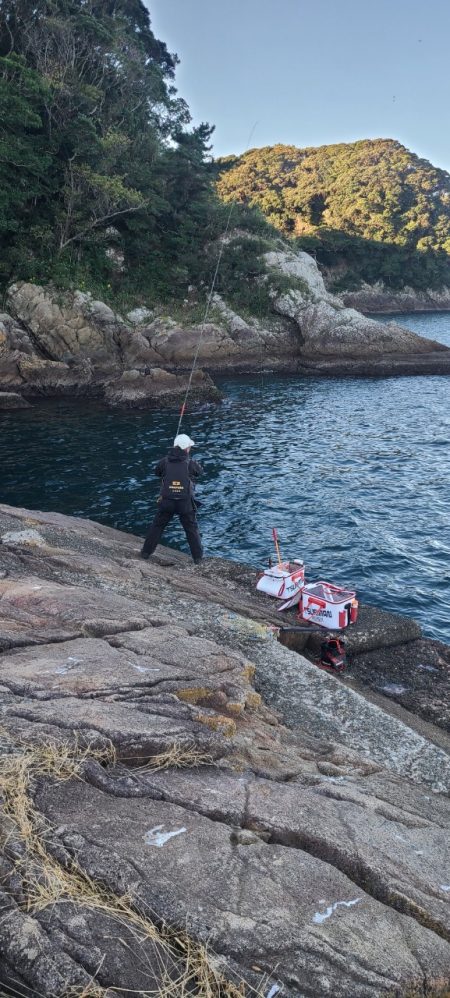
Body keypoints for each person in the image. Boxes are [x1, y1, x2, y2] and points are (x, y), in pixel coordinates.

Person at [140, 433, 203, 563]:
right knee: (191, 529)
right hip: (185, 503)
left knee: (157, 526)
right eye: (189, 447)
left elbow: (157, 472)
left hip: (167, 502)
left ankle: (146, 553)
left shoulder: (165, 461)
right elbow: (200, 472)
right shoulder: (190, 463)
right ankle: (198, 558)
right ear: (186, 449)